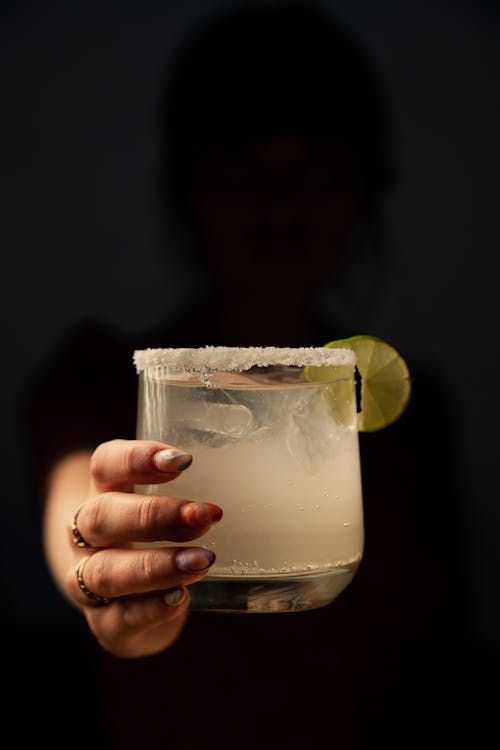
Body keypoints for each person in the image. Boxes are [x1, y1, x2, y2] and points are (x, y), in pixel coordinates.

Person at [24, 3, 465, 748]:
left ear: (365, 193)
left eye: (316, 167)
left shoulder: (399, 408)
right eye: (239, 167)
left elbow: (445, 670)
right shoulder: (106, 376)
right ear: (184, 193)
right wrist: (101, 576)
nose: (279, 201)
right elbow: (79, 497)